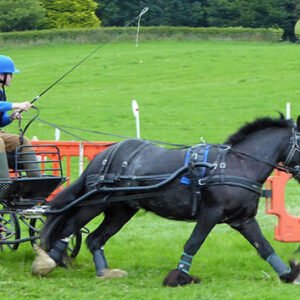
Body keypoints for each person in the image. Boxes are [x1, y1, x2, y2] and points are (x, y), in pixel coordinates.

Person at [0, 55, 41, 178]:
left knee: (22, 141)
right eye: (11, 74)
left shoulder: (1, 93)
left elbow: (1, 122)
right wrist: (18, 104)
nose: (12, 77)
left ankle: (36, 180)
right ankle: (4, 183)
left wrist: (11, 118)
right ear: (1, 75)